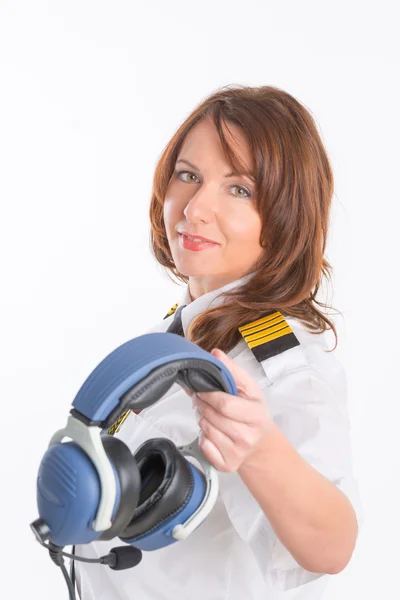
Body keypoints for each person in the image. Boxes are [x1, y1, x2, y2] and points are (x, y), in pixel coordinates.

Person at [74, 84, 362, 599]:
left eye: (239, 189)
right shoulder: (178, 333)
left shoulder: (284, 367)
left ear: (284, 216)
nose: (195, 208)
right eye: (188, 176)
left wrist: (262, 449)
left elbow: (332, 547)